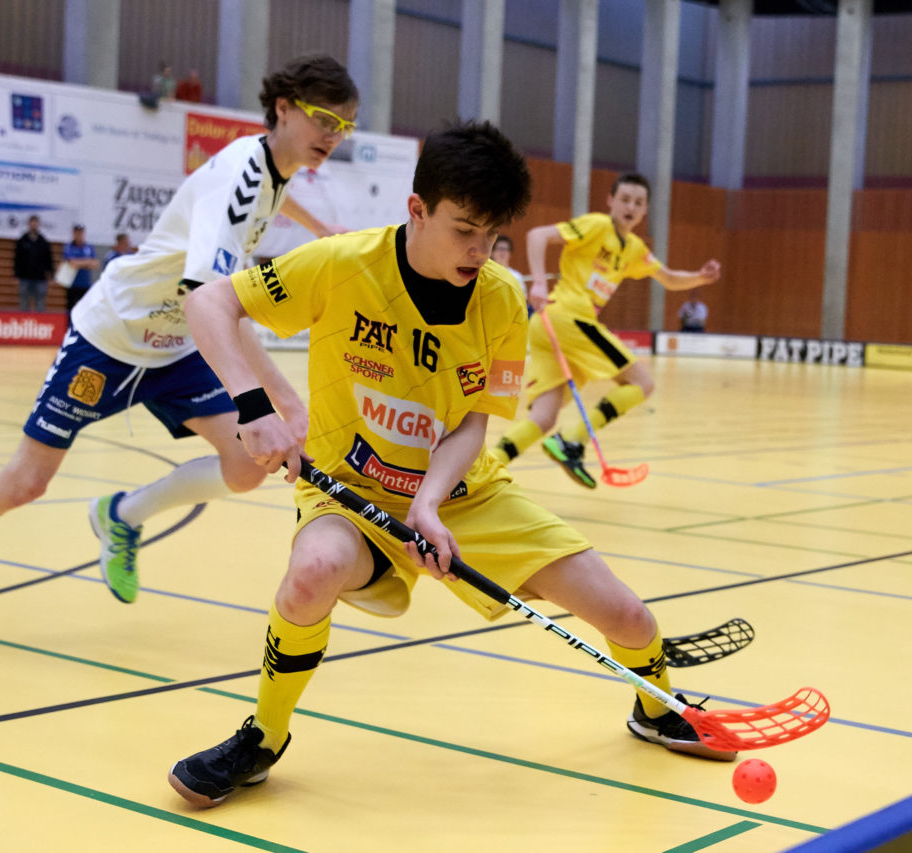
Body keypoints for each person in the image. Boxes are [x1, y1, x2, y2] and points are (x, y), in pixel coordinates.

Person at [167, 121, 735, 810]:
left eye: (492, 235)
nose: (479, 250)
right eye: (464, 230)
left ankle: (657, 706)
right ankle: (263, 734)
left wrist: (429, 502)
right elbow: (209, 300)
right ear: (417, 211)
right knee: (310, 573)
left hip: (464, 495)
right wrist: (254, 404)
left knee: (630, 616)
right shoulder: (341, 263)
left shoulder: (499, 299)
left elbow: (473, 421)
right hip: (350, 492)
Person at [0, 54, 360, 652]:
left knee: (246, 466)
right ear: (283, 108)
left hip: (175, 346)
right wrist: (270, 401)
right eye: (324, 118)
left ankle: (123, 515)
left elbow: (228, 275)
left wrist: (319, 230)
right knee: (25, 483)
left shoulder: (276, 169)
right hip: (113, 337)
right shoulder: (240, 178)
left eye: (345, 126)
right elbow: (209, 298)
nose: (333, 135)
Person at [490, 173, 720, 488]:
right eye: (625, 199)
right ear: (610, 201)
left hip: (551, 328)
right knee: (643, 383)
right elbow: (537, 235)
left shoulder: (634, 248)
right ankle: (573, 440)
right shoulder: (597, 225)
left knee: (543, 417)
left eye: (638, 203)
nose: (631, 206)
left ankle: (486, 470)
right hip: (570, 318)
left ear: (645, 211)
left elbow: (667, 278)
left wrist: (699, 278)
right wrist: (540, 282)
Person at [13, 215, 54, 312]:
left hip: (40, 278)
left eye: (36, 223)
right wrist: (16, 275)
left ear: (38, 225)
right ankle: (24, 323)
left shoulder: (43, 242)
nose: (34, 225)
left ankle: (40, 323)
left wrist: (50, 274)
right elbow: (17, 259)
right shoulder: (22, 241)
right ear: (29, 224)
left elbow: (49, 259)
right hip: (25, 277)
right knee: (24, 302)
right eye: (32, 223)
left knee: (40, 303)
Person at [60, 224, 98, 316]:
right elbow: (71, 263)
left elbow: (95, 264)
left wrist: (79, 263)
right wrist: (87, 262)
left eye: (81, 233)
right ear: (74, 233)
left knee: (85, 309)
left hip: (85, 284)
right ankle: (70, 328)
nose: (79, 235)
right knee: (71, 309)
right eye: (77, 233)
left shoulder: (89, 247)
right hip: (72, 284)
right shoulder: (68, 247)